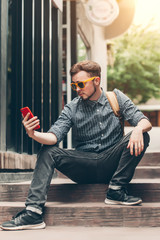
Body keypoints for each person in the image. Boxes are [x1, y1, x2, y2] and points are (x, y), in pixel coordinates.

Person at [1, 60, 152, 230]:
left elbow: (144, 121)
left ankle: (116, 189)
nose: (77, 89)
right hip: (84, 166)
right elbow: (53, 136)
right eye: (74, 85)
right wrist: (33, 134)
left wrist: (138, 128)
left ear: (96, 80)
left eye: (81, 84)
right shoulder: (72, 107)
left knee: (143, 134)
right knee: (48, 150)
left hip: (112, 163)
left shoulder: (116, 98)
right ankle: (33, 213)